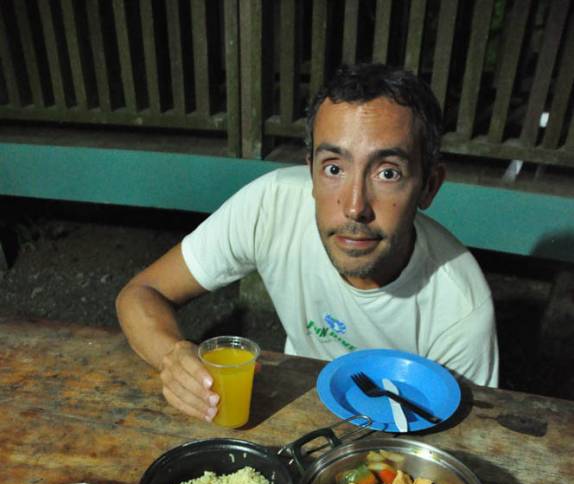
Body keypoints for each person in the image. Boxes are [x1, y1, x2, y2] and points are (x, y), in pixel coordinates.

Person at [116, 63, 499, 422]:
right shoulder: (271, 205)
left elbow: (464, 438)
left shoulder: (461, 306)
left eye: (387, 172)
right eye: (334, 168)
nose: (354, 207)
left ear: (429, 186)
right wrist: (174, 356)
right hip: (295, 406)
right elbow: (140, 293)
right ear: (311, 172)